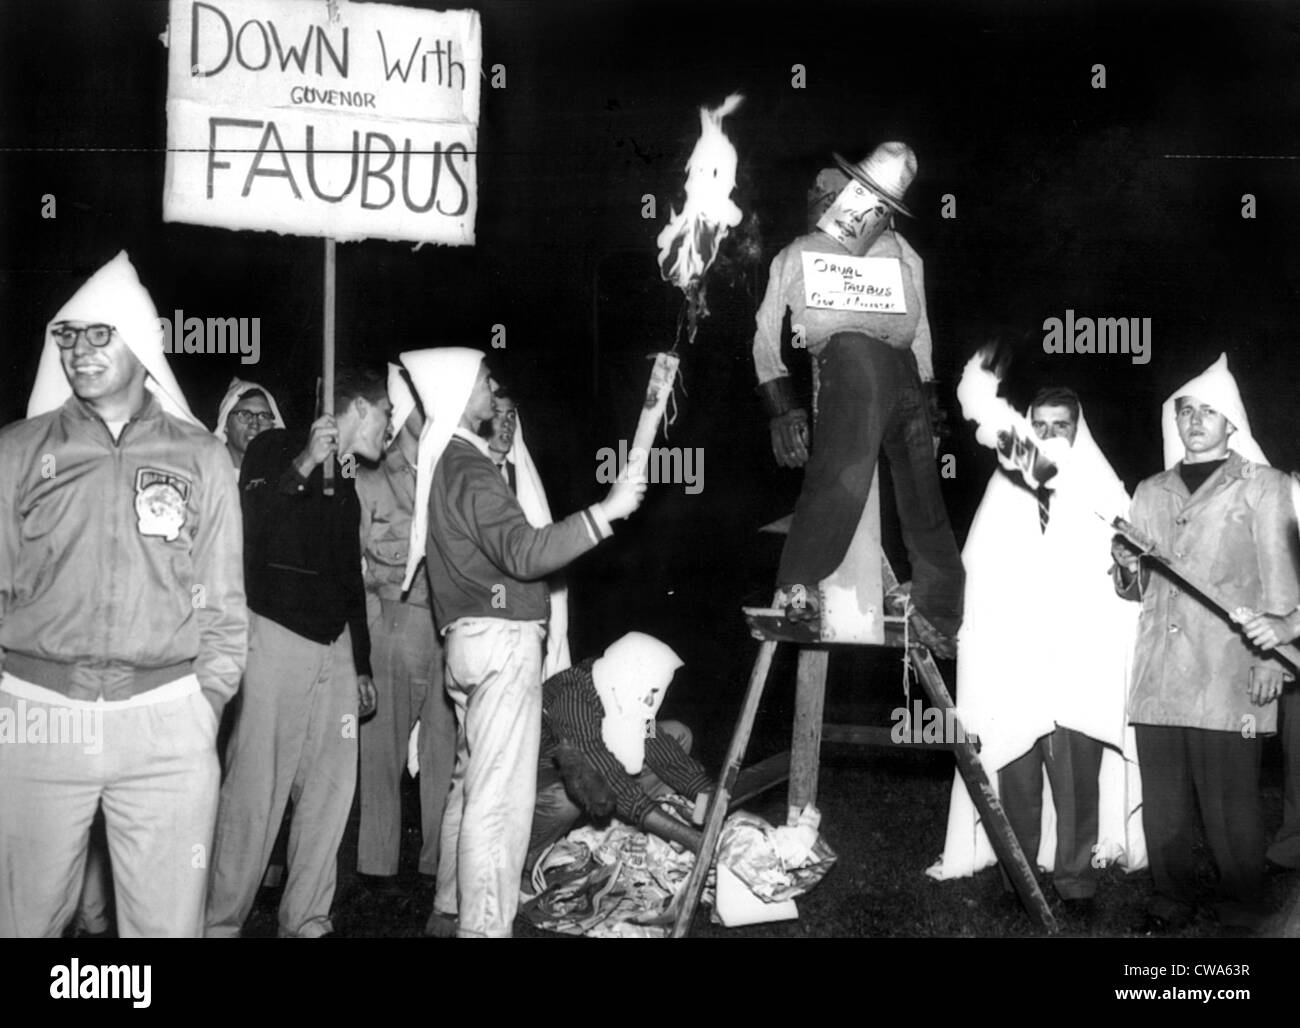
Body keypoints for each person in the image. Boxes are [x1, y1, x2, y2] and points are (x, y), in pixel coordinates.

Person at [0, 251, 246, 937]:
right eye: (68, 336)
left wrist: (207, 705)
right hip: (38, 718)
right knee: (21, 923)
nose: (79, 350)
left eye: (100, 333)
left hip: (167, 720)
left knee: (167, 930)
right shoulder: (16, 453)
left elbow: (225, 602)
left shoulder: (201, 458)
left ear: (141, 343)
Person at [399, 347, 645, 938]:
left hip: (468, 642)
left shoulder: (451, 463)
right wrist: (605, 512)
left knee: (469, 777)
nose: (492, 385)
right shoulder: (470, 468)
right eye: (485, 379)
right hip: (500, 641)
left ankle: (452, 906)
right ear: (463, 391)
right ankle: (484, 928)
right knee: (499, 800)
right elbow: (526, 553)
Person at [928, 388, 1145, 911]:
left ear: (1078, 429)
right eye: (1040, 426)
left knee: (1076, 778)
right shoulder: (1007, 487)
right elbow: (976, 569)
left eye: (1061, 425)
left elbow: (1133, 584)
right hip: (1018, 660)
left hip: (1076, 660)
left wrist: (1122, 566)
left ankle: (1076, 881)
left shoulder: (1103, 489)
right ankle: (1016, 878)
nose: (1049, 437)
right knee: (1015, 772)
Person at [1112, 353, 1299, 928]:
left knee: (1229, 802)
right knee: (1165, 803)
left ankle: (1241, 905)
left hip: (1228, 667)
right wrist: (1125, 566)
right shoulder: (1149, 489)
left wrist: (1274, 658)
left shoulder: (1262, 486)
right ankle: (1171, 899)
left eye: (1208, 411)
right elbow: (1131, 589)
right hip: (1160, 669)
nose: (1195, 420)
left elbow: (1282, 576)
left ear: (1231, 423)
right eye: (1186, 411)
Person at [752, 144, 963, 655]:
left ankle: (939, 606)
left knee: (921, 489)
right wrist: (782, 405)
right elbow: (765, 334)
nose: (825, 203)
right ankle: (798, 586)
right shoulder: (798, 252)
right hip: (849, 359)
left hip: (902, 369)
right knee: (843, 475)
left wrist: (930, 401)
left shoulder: (899, 249)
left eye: (834, 195)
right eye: (821, 196)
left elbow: (922, 329)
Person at [205, 365, 389, 939]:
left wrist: (360, 662)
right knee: (256, 787)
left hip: (333, 648)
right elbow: (251, 529)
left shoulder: (349, 479)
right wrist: (306, 461)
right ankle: (219, 921)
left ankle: (306, 917)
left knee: (332, 790)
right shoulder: (272, 448)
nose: (392, 426)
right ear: (360, 408)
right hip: (276, 636)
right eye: (386, 414)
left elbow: (348, 577)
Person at [355, 364, 456, 889]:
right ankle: (376, 868)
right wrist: (372, 636)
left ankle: (437, 865)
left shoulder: (449, 470)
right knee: (382, 753)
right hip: (394, 621)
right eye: (418, 403)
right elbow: (358, 567)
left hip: (448, 627)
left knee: (445, 749)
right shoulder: (371, 475)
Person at [526, 632, 711, 874]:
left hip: (588, 765)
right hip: (535, 778)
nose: (651, 698)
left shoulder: (624, 687)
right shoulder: (573, 697)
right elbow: (604, 776)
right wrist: (695, 841)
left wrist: (709, 798)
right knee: (567, 800)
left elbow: (660, 747)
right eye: (651, 689)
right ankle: (529, 861)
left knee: (676, 734)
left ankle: (632, 823)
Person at [213, 377, 285, 476]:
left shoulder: (281, 478)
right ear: (225, 424)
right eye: (244, 414)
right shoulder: (206, 477)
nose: (254, 424)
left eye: (263, 416)